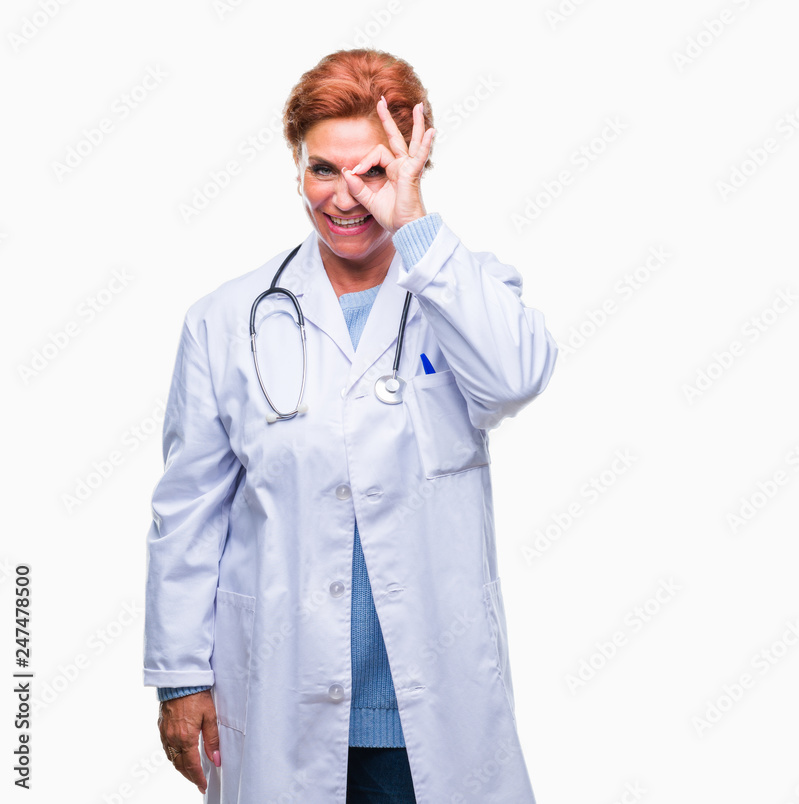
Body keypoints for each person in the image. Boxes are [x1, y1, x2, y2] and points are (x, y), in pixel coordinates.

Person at [143, 48, 558, 803]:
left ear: (412, 166)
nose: (345, 198)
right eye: (323, 170)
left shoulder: (468, 289)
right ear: (296, 167)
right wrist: (179, 676)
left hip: (428, 712)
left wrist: (418, 228)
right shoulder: (226, 319)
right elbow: (188, 512)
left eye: (373, 172)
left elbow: (513, 380)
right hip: (279, 697)